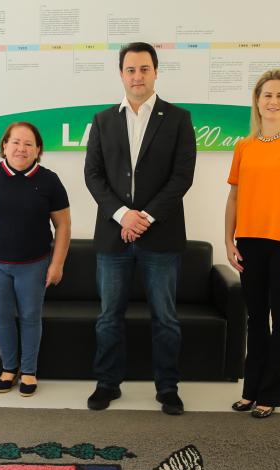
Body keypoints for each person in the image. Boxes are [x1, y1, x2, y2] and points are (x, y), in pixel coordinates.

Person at [83, 42, 197, 415]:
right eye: (130, 69)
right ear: (121, 74)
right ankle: (107, 383)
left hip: (161, 237)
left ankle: (168, 388)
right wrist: (123, 215)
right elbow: (93, 175)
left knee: (166, 318)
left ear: (155, 72)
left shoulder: (178, 119)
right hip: (113, 236)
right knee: (108, 317)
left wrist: (144, 217)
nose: (137, 76)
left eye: (144, 69)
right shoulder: (103, 120)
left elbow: (182, 176)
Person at [224, 69, 280, 418]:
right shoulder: (243, 146)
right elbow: (234, 197)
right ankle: (250, 390)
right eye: (267, 95)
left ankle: (271, 394)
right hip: (249, 242)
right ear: (257, 101)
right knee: (256, 319)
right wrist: (228, 240)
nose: (273, 101)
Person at [0, 122, 71, 397]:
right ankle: (9, 369)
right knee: (1, 317)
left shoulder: (49, 180)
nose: (21, 148)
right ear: (4, 145)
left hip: (34, 265)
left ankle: (29, 371)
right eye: (15, 142)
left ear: (38, 149)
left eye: (28, 144)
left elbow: (63, 225)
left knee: (30, 317)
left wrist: (57, 264)